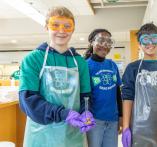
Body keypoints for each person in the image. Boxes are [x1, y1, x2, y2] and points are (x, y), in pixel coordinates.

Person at [19, 6, 95, 147]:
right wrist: (63, 114)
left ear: (73, 29)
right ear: (46, 27)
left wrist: (86, 112)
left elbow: (86, 97)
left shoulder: (80, 62)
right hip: (42, 136)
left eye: (67, 26)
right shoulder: (33, 59)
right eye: (55, 25)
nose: (61, 31)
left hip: (73, 135)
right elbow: (28, 100)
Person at [84, 29, 123, 147]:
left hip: (112, 119)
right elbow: (83, 96)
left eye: (108, 42)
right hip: (94, 120)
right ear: (92, 42)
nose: (105, 45)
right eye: (101, 40)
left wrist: (121, 116)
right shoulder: (85, 66)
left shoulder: (112, 65)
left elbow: (117, 92)